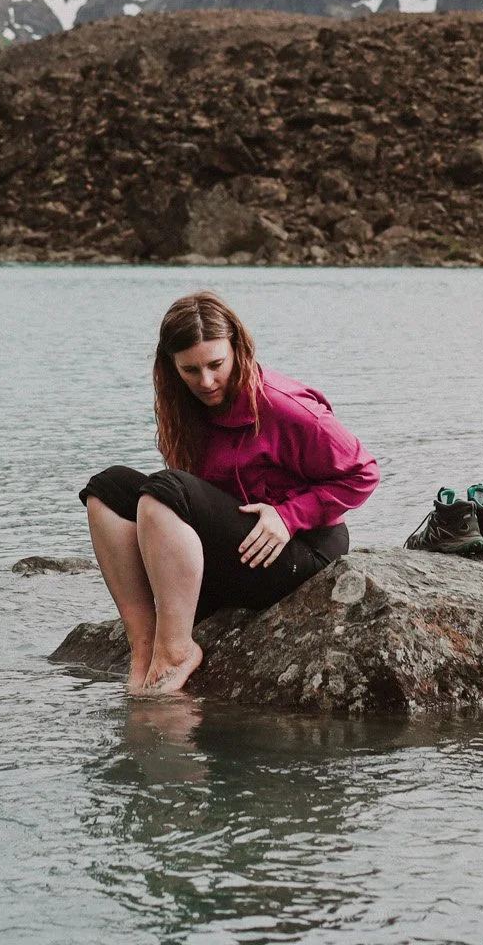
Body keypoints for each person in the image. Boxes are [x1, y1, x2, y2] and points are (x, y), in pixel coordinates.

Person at [80, 291, 380, 697]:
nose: (205, 381)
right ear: (171, 367)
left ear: (238, 348)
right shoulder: (185, 406)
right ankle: (146, 645)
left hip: (300, 550)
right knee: (107, 487)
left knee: (166, 492)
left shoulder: (284, 405)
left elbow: (363, 473)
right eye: (190, 370)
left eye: (216, 365)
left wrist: (289, 515)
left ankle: (177, 651)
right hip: (237, 545)